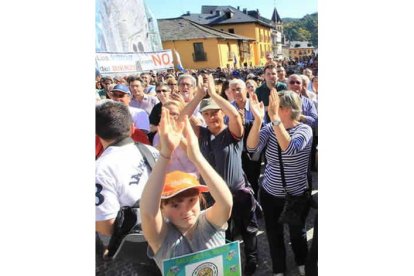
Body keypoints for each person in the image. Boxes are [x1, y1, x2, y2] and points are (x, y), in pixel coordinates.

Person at [181, 74, 259, 275]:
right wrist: (199, 95)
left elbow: (234, 115)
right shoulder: (203, 134)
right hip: (212, 197)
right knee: (222, 234)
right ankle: (228, 265)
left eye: (215, 112)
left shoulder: (232, 132)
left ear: (221, 112)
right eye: (207, 114)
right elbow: (181, 119)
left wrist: (214, 94)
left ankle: (252, 259)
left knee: (249, 230)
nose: (211, 117)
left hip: (238, 193)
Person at [140, 111, 233, 270]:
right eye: (175, 205)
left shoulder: (208, 223)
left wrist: (197, 157)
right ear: (162, 208)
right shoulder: (162, 237)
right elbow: (148, 214)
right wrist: (165, 155)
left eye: (192, 201)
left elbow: (225, 203)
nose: (186, 210)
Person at [246, 89, 313, 276]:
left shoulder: (304, 129)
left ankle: (302, 262)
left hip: (295, 194)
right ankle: (279, 270)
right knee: (274, 235)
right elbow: (252, 150)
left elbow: (290, 149)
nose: (273, 108)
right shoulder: (269, 128)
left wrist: (274, 119)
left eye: (278, 106)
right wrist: (258, 121)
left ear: (290, 109)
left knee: (297, 233)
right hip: (270, 194)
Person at [95, 100, 159, 255]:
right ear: (132, 128)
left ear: (97, 133)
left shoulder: (99, 169)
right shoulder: (152, 151)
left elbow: (105, 224)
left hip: (131, 252)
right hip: (163, 235)